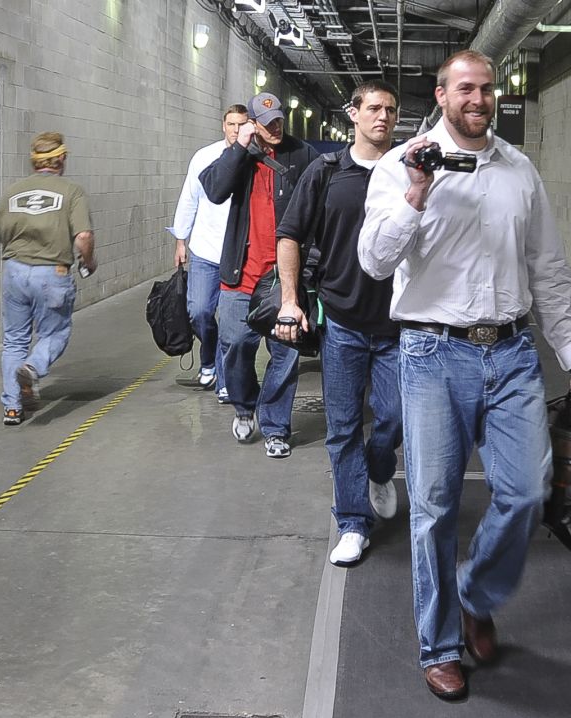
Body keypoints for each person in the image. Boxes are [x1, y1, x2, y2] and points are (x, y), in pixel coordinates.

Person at [357, 50, 571, 701]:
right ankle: (439, 647)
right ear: (441, 95)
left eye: (487, 88)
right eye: (465, 88)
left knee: (527, 491)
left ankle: (475, 595)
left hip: (513, 353)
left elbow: (549, 270)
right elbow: (375, 263)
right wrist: (417, 193)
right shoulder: (398, 166)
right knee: (434, 508)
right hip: (431, 355)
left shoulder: (519, 172)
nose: (478, 98)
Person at [275, 80, 403, 567]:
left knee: (394, 419)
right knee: (344, 427)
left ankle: (379, 468)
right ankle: (352, 523)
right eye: (373, 109)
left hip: (398, 325)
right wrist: (290, 300)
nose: (383, 118)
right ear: (354, 114)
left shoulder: (407, 171)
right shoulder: (327, 172)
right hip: (344, 322)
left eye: (390, 110)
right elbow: (289, 235)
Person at [201, 92, 318, 458]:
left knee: (284, 356)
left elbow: (322, 206)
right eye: (266, 123)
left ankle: (275, 426)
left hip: (285, 279)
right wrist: (240, 147)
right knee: (236, 346)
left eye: (279, 120)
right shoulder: (239, 156)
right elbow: (215, 189)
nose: (276, 127)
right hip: (241, 276)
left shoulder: (303, 155)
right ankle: (243, 405)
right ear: (252, 124)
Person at [0, 131, 95, 427]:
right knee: (55, 333)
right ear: (60, 159)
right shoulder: (72, 192)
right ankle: (33, 368)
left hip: (15, 271)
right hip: (52, 273)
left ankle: (12, 408)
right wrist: (88, 261)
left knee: (14, 341)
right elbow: (83, 235)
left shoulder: (13, 190)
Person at [170, 104, 251, 400]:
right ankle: (208, 358)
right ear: (223, 125)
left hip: (237, 254)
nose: (236, 129)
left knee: (231, 321)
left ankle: (224, 378)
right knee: (200, 311)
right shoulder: (204, 157)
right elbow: (189, 198)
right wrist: (181, 239)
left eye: (242, 124)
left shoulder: (253, 159)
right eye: (231, 124)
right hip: (204, 249)